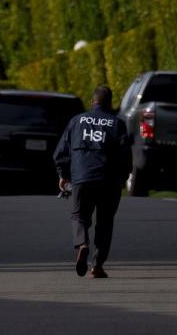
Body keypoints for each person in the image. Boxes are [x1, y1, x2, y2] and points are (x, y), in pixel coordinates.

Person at [53, 85, 131, 278]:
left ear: (92, 102)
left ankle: (82, 244)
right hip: (108, 181)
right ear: (110, 102)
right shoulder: (117, 124)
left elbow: (60, 153)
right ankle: (96, 266)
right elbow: (125, 156)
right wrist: (122, 178)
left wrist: (63, 175)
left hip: (82, 177)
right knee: (105, 223)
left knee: (79, 216)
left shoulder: (76, 121)